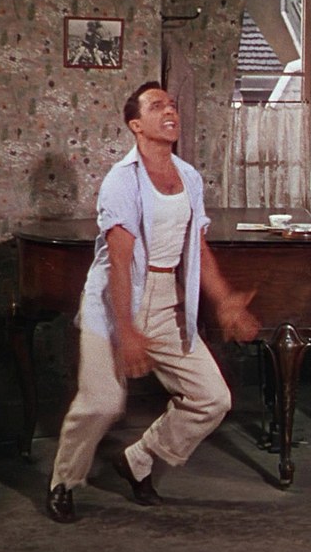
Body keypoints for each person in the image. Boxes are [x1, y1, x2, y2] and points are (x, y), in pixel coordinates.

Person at [46, 81, 260, 522]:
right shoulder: (121, 181)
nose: (170, 111)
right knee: (103, 403)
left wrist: (225, 301)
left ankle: (138, 459)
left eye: (173, 105)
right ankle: (63, 482)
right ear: (136, 124)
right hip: (113, 301)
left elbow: (198, 249)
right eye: (157, 106)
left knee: (212, 398)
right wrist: (126, 330)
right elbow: (120, 262)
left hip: (167, 300)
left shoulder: (189, 177)